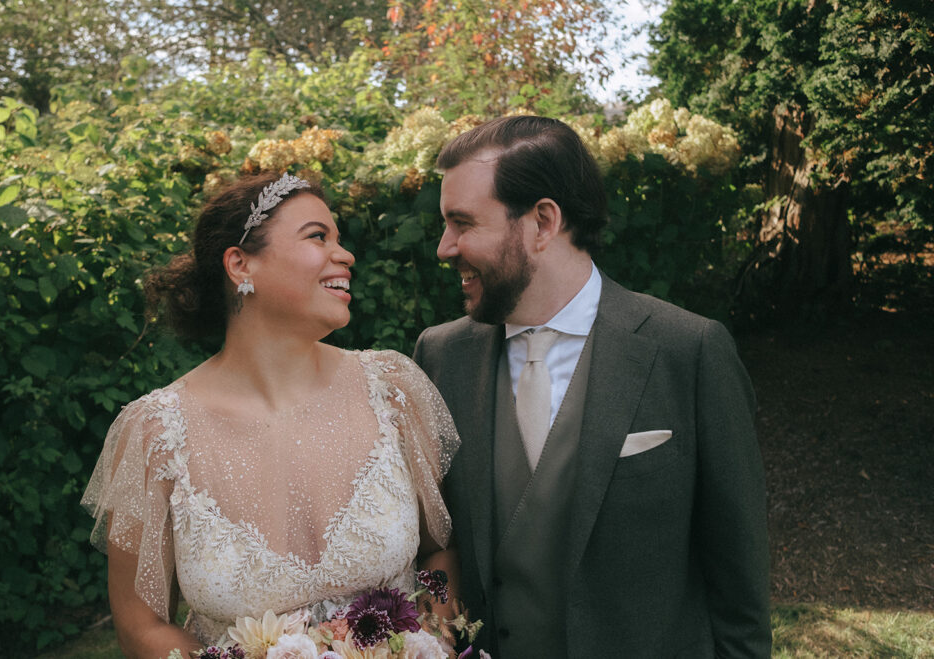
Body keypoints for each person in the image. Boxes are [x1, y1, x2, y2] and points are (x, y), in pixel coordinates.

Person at [413, 116, 771, 658]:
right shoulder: (440, 357)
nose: (445, 247)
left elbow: (740, 582)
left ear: (542, 222)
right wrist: (434, 622)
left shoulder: (688, 351)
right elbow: (436, 538)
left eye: (462, 223)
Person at [82, 173, 460, 657]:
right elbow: (142, 625)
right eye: (318, 236)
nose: (345, 255)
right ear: (240, 264)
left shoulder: (393, 389)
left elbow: (437, 552)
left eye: (340, 240)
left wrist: (433, 628)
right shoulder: (155, 432)